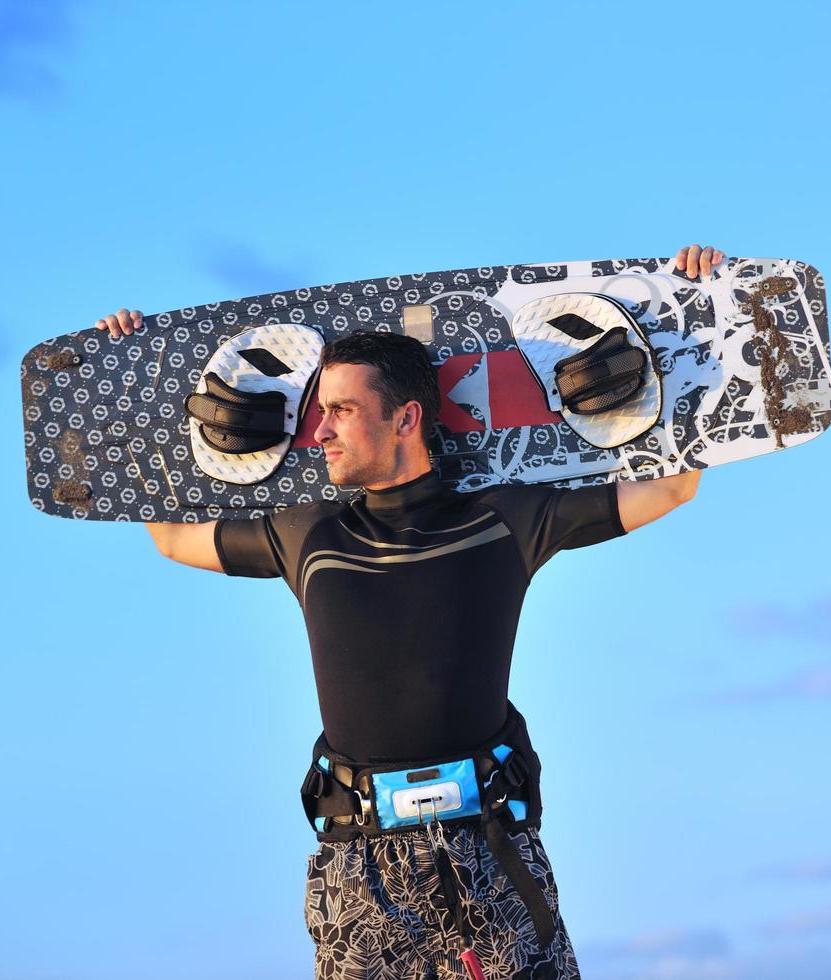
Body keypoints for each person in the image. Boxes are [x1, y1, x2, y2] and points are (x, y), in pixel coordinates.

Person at [97, 244, 727, 979]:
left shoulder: (505, 518)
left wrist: (695, 318)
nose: (320, 431)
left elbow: (667, 490)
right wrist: (133, 379)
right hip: (360, 868)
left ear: (405, 419)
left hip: (488, 848)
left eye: (341, 411)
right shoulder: (308, 533)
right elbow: (172, 537)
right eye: (318, 413)